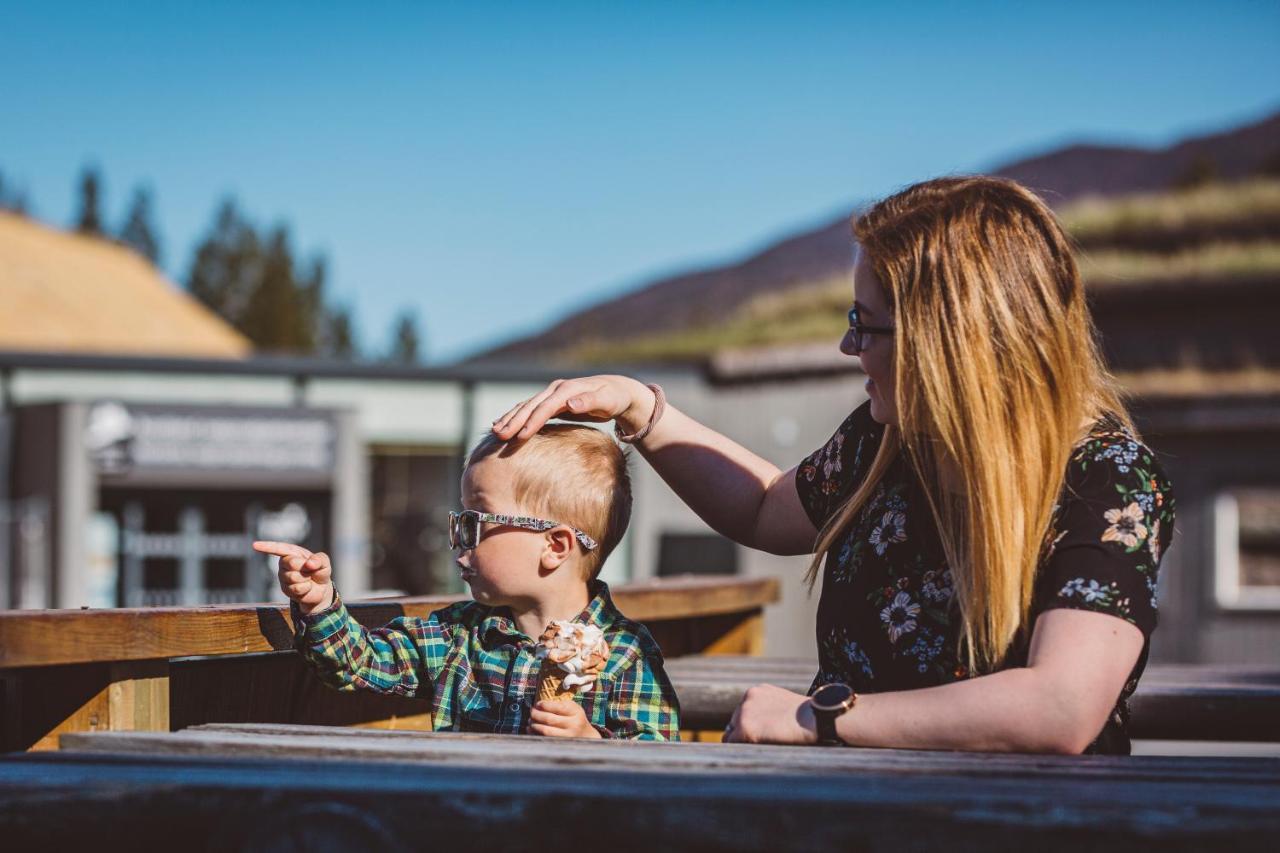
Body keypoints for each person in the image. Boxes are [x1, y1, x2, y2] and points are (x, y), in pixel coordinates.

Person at [492, 176, 1175, 755]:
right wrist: (637, 407)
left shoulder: (1108, 478)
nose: (850, 345)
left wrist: (817, 717)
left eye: (865, 321)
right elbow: (764, 507)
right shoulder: (890, 441)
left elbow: (1061, 707)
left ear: (952, 340)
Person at [254, 423, 681, 740]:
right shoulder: (457, 635)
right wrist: (319, 602)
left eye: (474, 522)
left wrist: (594, 743)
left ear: (554, 546)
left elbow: (662, 766)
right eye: (458, 521)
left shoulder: (626, 653)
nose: (456, 539)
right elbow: (359, 663)